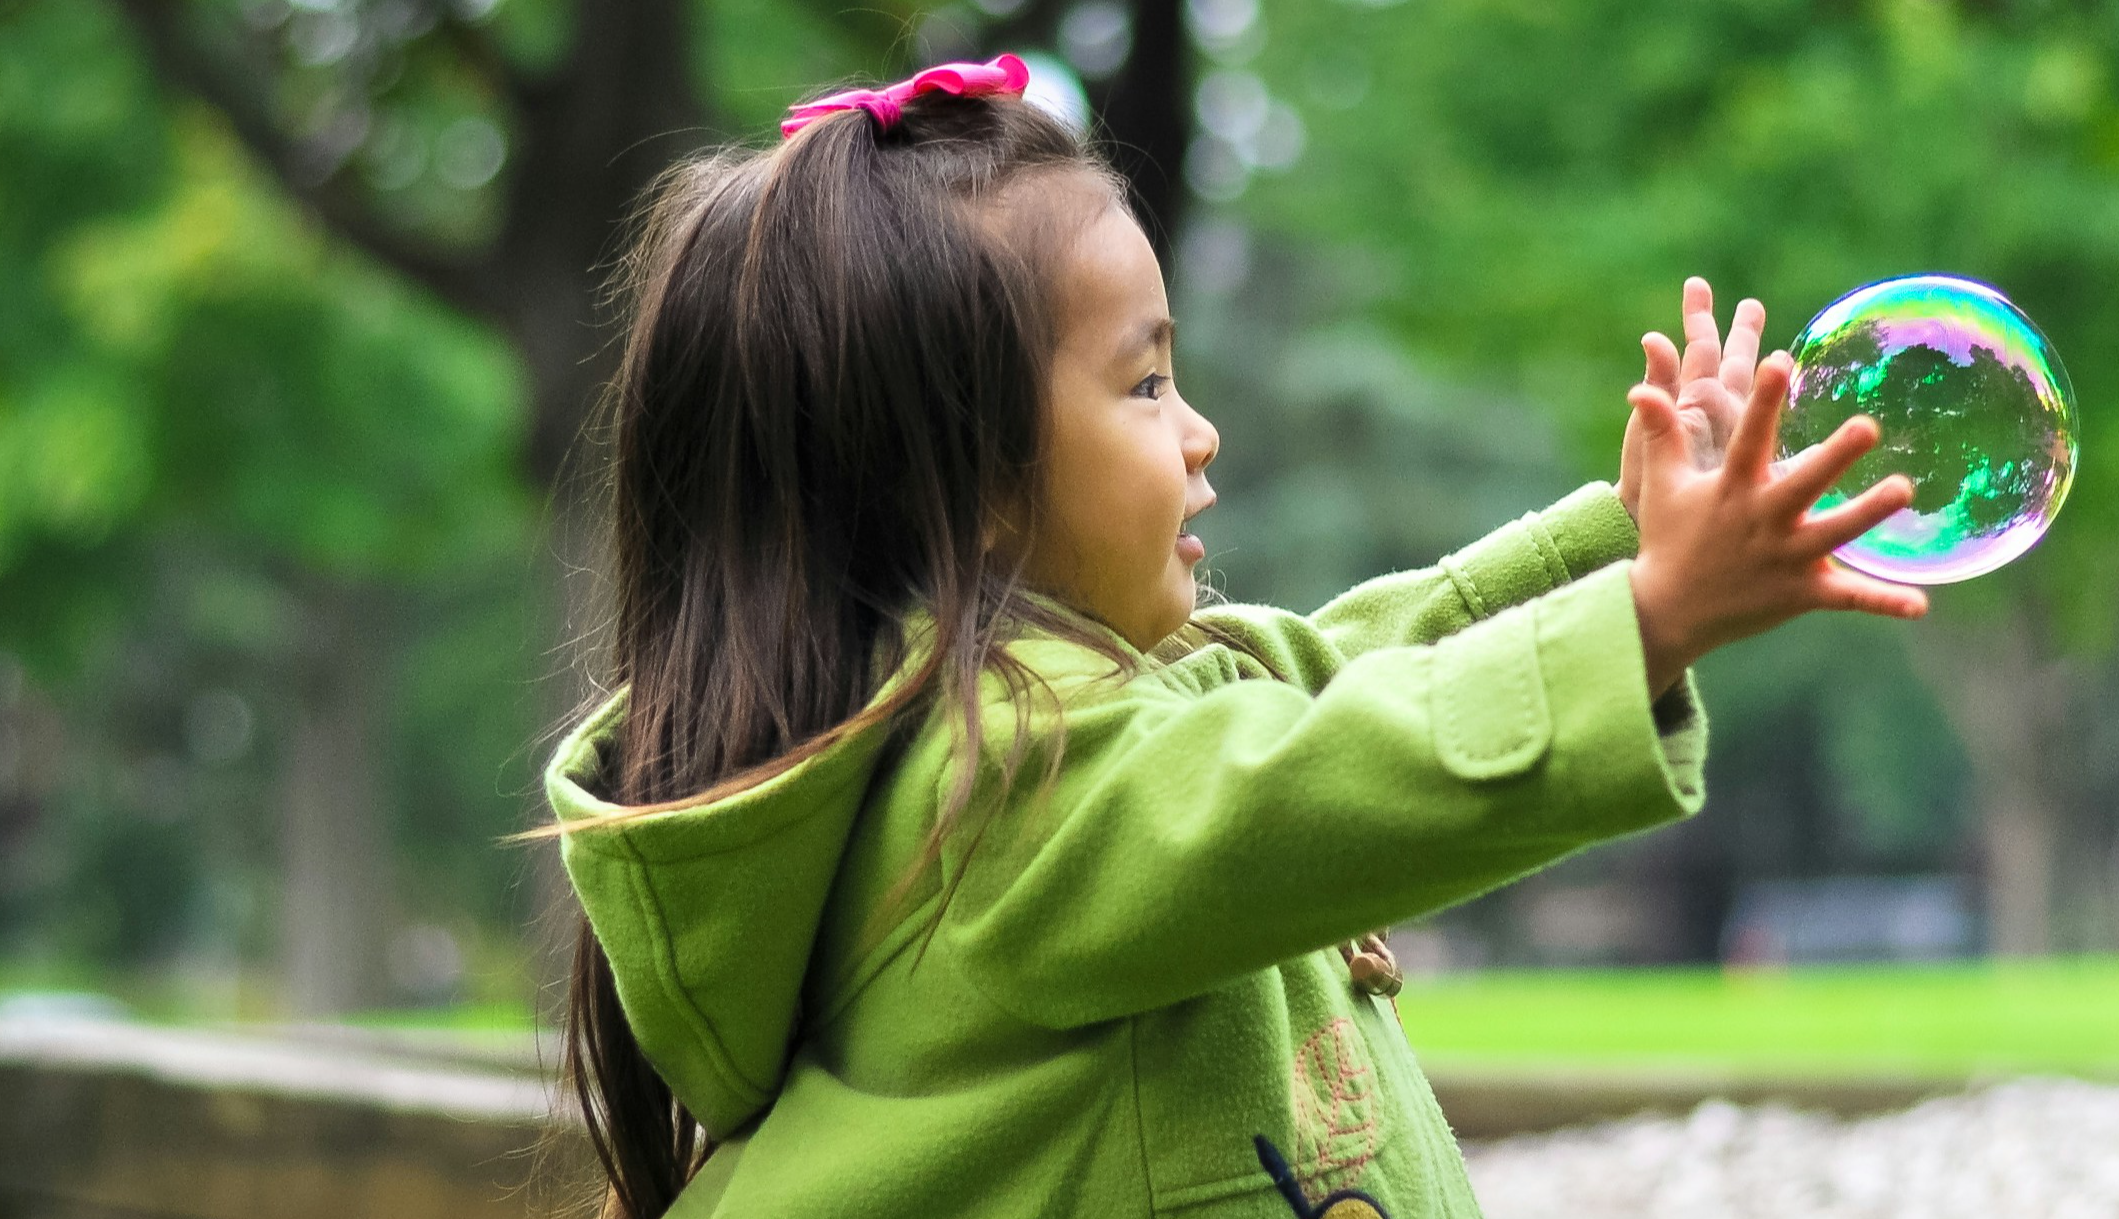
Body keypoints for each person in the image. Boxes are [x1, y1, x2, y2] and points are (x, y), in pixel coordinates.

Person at [531, 53, 1925, 1219]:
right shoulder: (1001, 794)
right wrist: (1653, 617)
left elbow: (1348, 664)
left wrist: (1626, 536)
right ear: (968, 484)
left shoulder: (1065, 725)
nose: (1199, 433)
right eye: (1142, 384)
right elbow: (1309, 777)